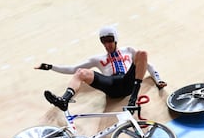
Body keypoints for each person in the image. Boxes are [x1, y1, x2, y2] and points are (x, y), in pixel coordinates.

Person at [35, 25, 167, 111]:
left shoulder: (128, 50)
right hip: (111, 85)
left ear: (116, 40)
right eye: (104, 41)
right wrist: (50, 67)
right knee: (81, 72)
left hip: (129, 82)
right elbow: (72, 69)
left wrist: (158, 79)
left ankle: (133, 99)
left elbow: (147, 64)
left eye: (109, 40)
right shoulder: (98, 59)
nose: (107, 44)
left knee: (142, 53)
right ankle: (64, 100)